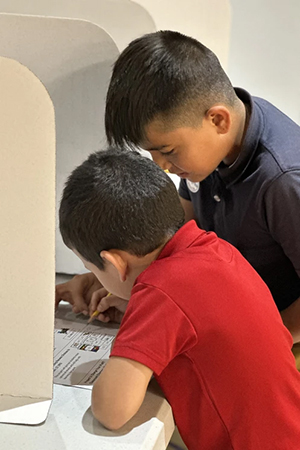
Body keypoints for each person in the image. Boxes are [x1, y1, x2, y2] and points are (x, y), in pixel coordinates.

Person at [56, 30, 300, 343]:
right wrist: (111, 279)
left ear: (218, 121)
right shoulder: (209, 151)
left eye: (168, 151)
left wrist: (253, 343)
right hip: (229, 312)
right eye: (152, 152)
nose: (160, 166)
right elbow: (174, 239)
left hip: (274, 340)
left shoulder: (284, 180)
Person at [59, 148, 300, 449]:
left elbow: (112, 411)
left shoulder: (160, 290)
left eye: (90, 267)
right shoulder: (213, 249)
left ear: (115, 262)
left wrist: (139, 321)